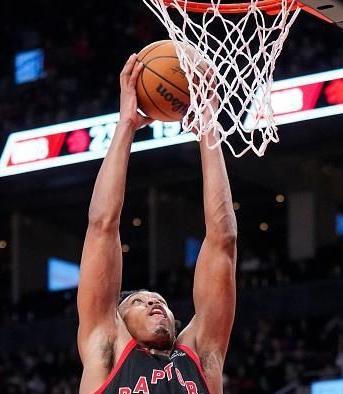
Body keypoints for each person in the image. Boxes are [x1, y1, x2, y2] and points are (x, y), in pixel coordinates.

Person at [77, 54, 237, 394]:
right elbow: (102, 226)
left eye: (159, 301)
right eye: (138, 302)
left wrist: (209, 126)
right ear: (118, 322)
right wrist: (126, 126)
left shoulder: (200, 356)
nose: (154, 303)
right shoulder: (106, 350)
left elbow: (223, 240)